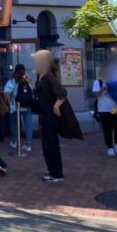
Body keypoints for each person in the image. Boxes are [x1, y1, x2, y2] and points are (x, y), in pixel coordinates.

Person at [32, 49, 82, 182]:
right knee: (47, 144)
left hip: (50, 115)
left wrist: (56, 106)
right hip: (44, 113)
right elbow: (42, 92)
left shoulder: (48, 75)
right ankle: (52, 171)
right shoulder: (41, 75)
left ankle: (56, 173)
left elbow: (62, 93)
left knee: (51, 143)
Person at [92, 63, 117, 156]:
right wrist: (104, 88)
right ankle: (110, 147)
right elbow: (96, 94)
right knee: (107, 128)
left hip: (115, 109)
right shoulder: (98, 82)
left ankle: (116, 143)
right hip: (103, 109)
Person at [4, 64, 35, 153]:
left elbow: (6, 92)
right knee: (28, 125)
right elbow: (34, 89)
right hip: (27, 105)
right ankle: (28, 145)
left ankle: (14, 142)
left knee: (14, 123)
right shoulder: (27, 79)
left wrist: (9, 103)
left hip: (15, 106)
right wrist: (30, 82)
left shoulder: (12, 80)